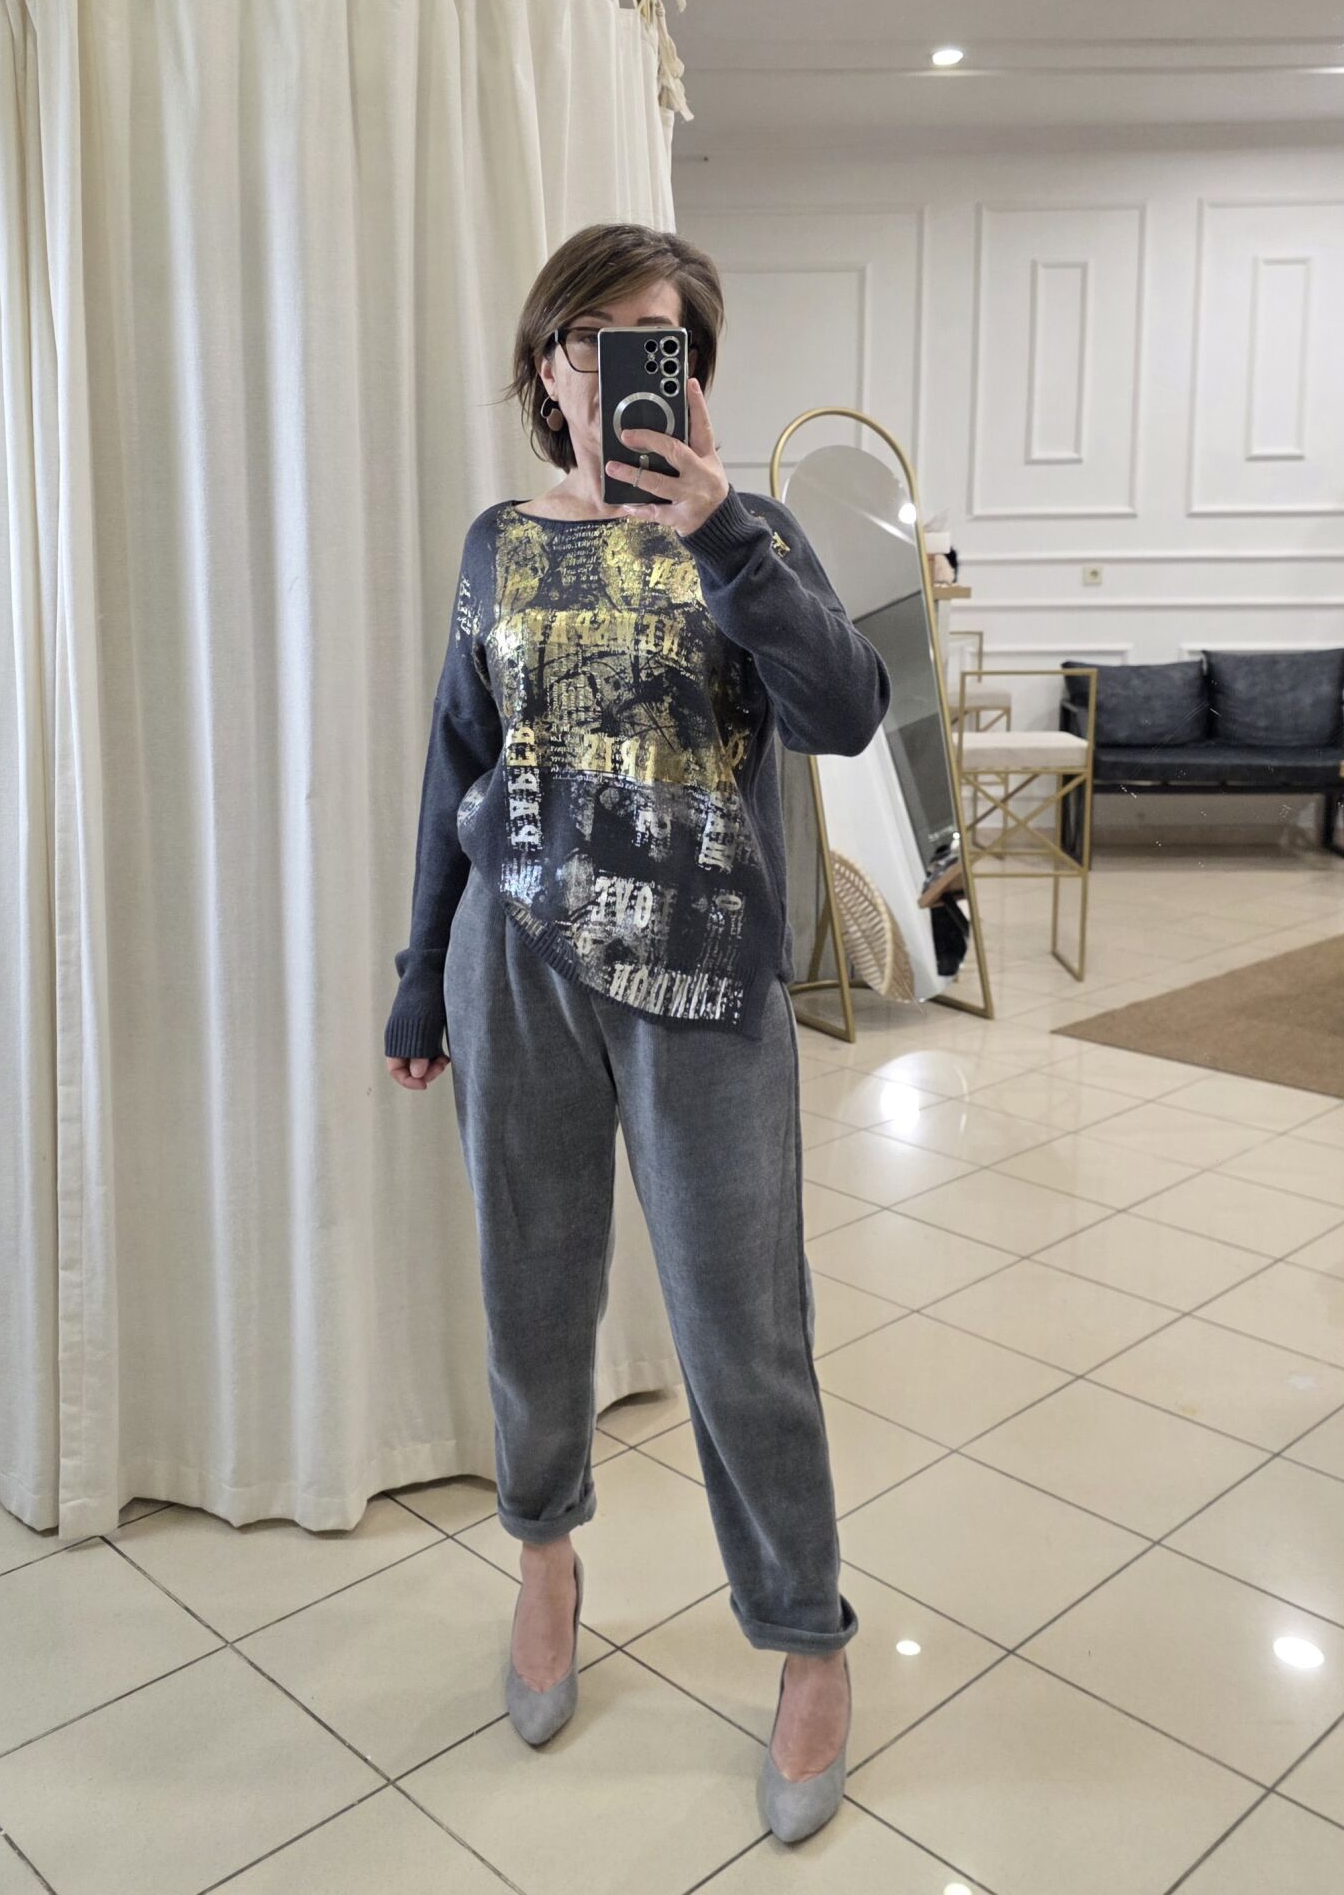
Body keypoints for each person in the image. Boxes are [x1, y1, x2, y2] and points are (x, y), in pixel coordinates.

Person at [383, 222, 890, 1843]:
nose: (609, 369)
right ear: (546, 368)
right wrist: (418, 972)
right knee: (531, 1296)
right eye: (582, 340)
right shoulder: (494, 546)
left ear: (691, 367)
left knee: (742, 1326)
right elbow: (457, 759)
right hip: (516, 969)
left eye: (644, 340)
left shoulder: (750, 535)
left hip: (706, 978)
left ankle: (805, 1637)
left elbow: (847, 712)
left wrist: (724, 530)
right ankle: (545, 1559)